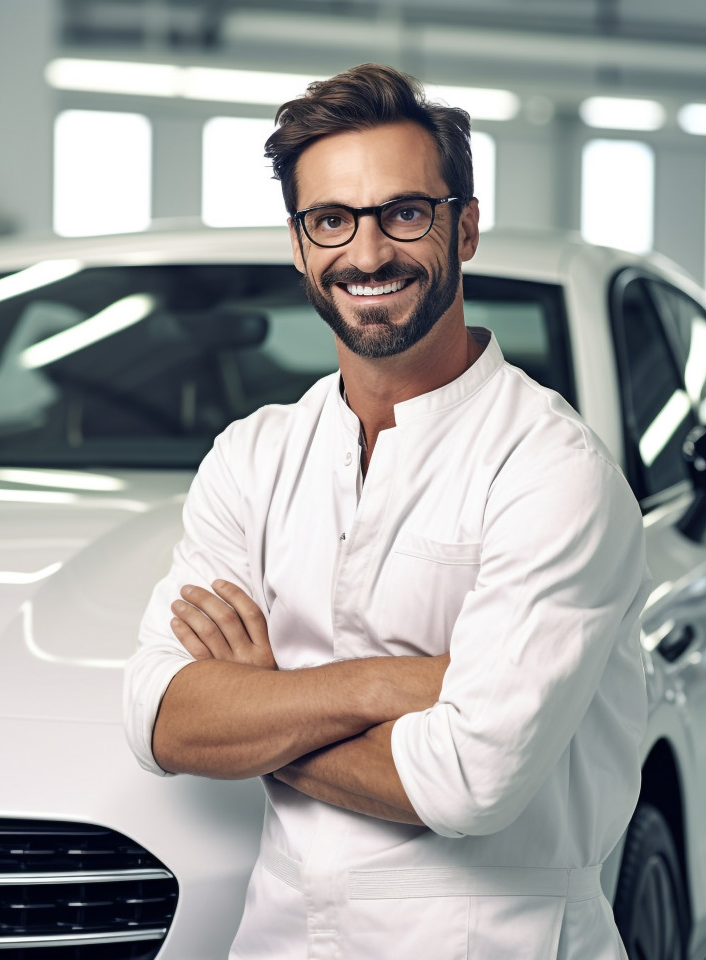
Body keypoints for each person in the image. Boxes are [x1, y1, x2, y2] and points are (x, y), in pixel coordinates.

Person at [123, 63, 649, 960]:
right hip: (281, 940)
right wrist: (383, 684)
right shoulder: (253, 457)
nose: (367, 256)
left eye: (404, 213)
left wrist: (262, 704)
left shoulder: (552, 471)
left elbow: (471, 781)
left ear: (465, 226)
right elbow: (159, 716)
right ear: (300, 245)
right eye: (331, 220)